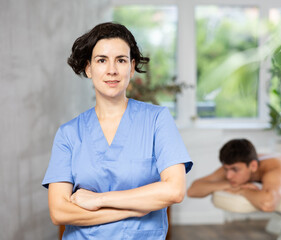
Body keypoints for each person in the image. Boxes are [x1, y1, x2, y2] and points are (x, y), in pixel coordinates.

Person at [42, 22, 193, 240]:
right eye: (101, 60)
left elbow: (174, 191)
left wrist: (99, 200)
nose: (112, 70)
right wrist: (133, 208)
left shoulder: (157, 120)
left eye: (120, 60)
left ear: (131, 68)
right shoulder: (69, 134)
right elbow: (59, 211)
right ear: (88, 68)